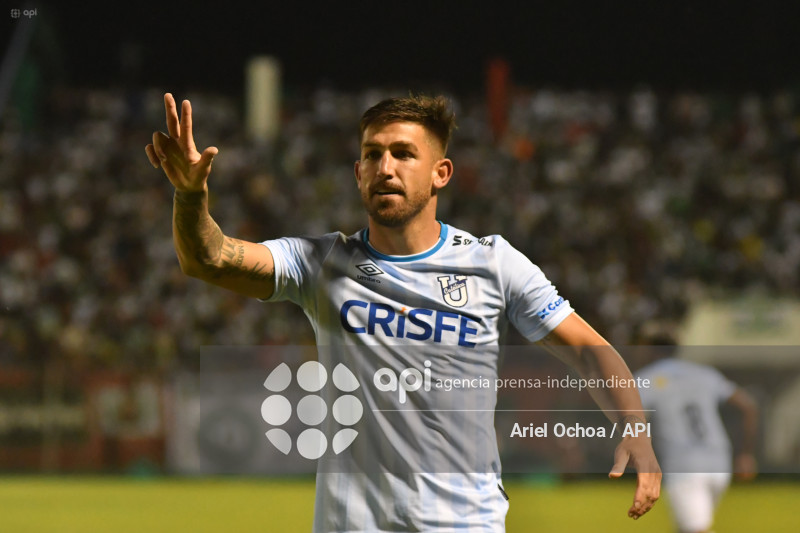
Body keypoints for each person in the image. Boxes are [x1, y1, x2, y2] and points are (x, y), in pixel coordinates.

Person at [146, 92, 661, 532]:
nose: (385, 167)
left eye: (403, 153)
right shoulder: (320, 263)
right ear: (357, 173)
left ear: (441, 173)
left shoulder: (493, 264)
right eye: (372, 154)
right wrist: (190, 197)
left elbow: (590, 351)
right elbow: (209, 259)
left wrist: (635, 430)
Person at [635, 339, 758, 533]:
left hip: (683, 464)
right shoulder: (705, 374)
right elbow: (747, 406)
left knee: (695, 528)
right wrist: (746, 454)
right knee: (688, 526)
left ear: (649, 351)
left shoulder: (647, 378)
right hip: (719, 461)